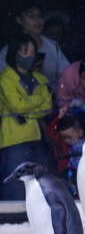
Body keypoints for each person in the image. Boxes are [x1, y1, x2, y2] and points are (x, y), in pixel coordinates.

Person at [0, 34, 55, 199]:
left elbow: (47, 107)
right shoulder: (5, 78)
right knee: (15, 186)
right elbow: (17, 105)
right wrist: (37, 100)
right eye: (24, 52)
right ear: (14, 53)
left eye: (32, 53)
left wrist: (27, 106)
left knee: (41, 184)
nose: (29, 57)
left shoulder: (40, 78)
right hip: (14, 139)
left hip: (38, 137)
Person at [0, 2, 70, 95]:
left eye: (39, 15)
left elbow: (68, 75)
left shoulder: (53, 46)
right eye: (30, 15)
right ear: (19, 20)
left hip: (51, 101)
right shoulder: (8, 50)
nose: (37, 20)